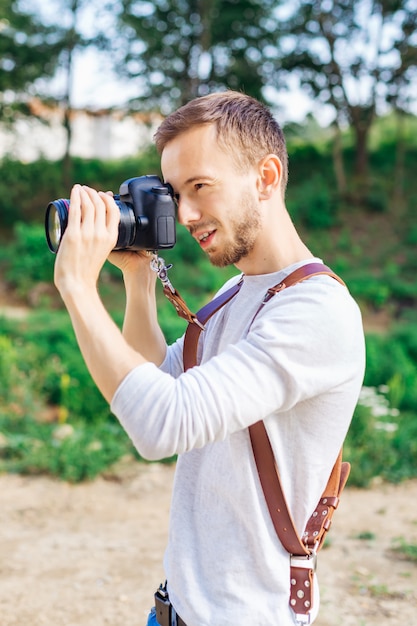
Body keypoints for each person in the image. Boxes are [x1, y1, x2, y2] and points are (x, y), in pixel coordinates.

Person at [53, 91, 365, 626]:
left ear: (266, 177)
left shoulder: (317, 312)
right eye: (175, 193)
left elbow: (160, 426)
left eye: (200, 187)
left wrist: (78, 287)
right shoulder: (238, 292)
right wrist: (136, 278)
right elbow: (155, 381)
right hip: (178, 607)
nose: (187, 214)